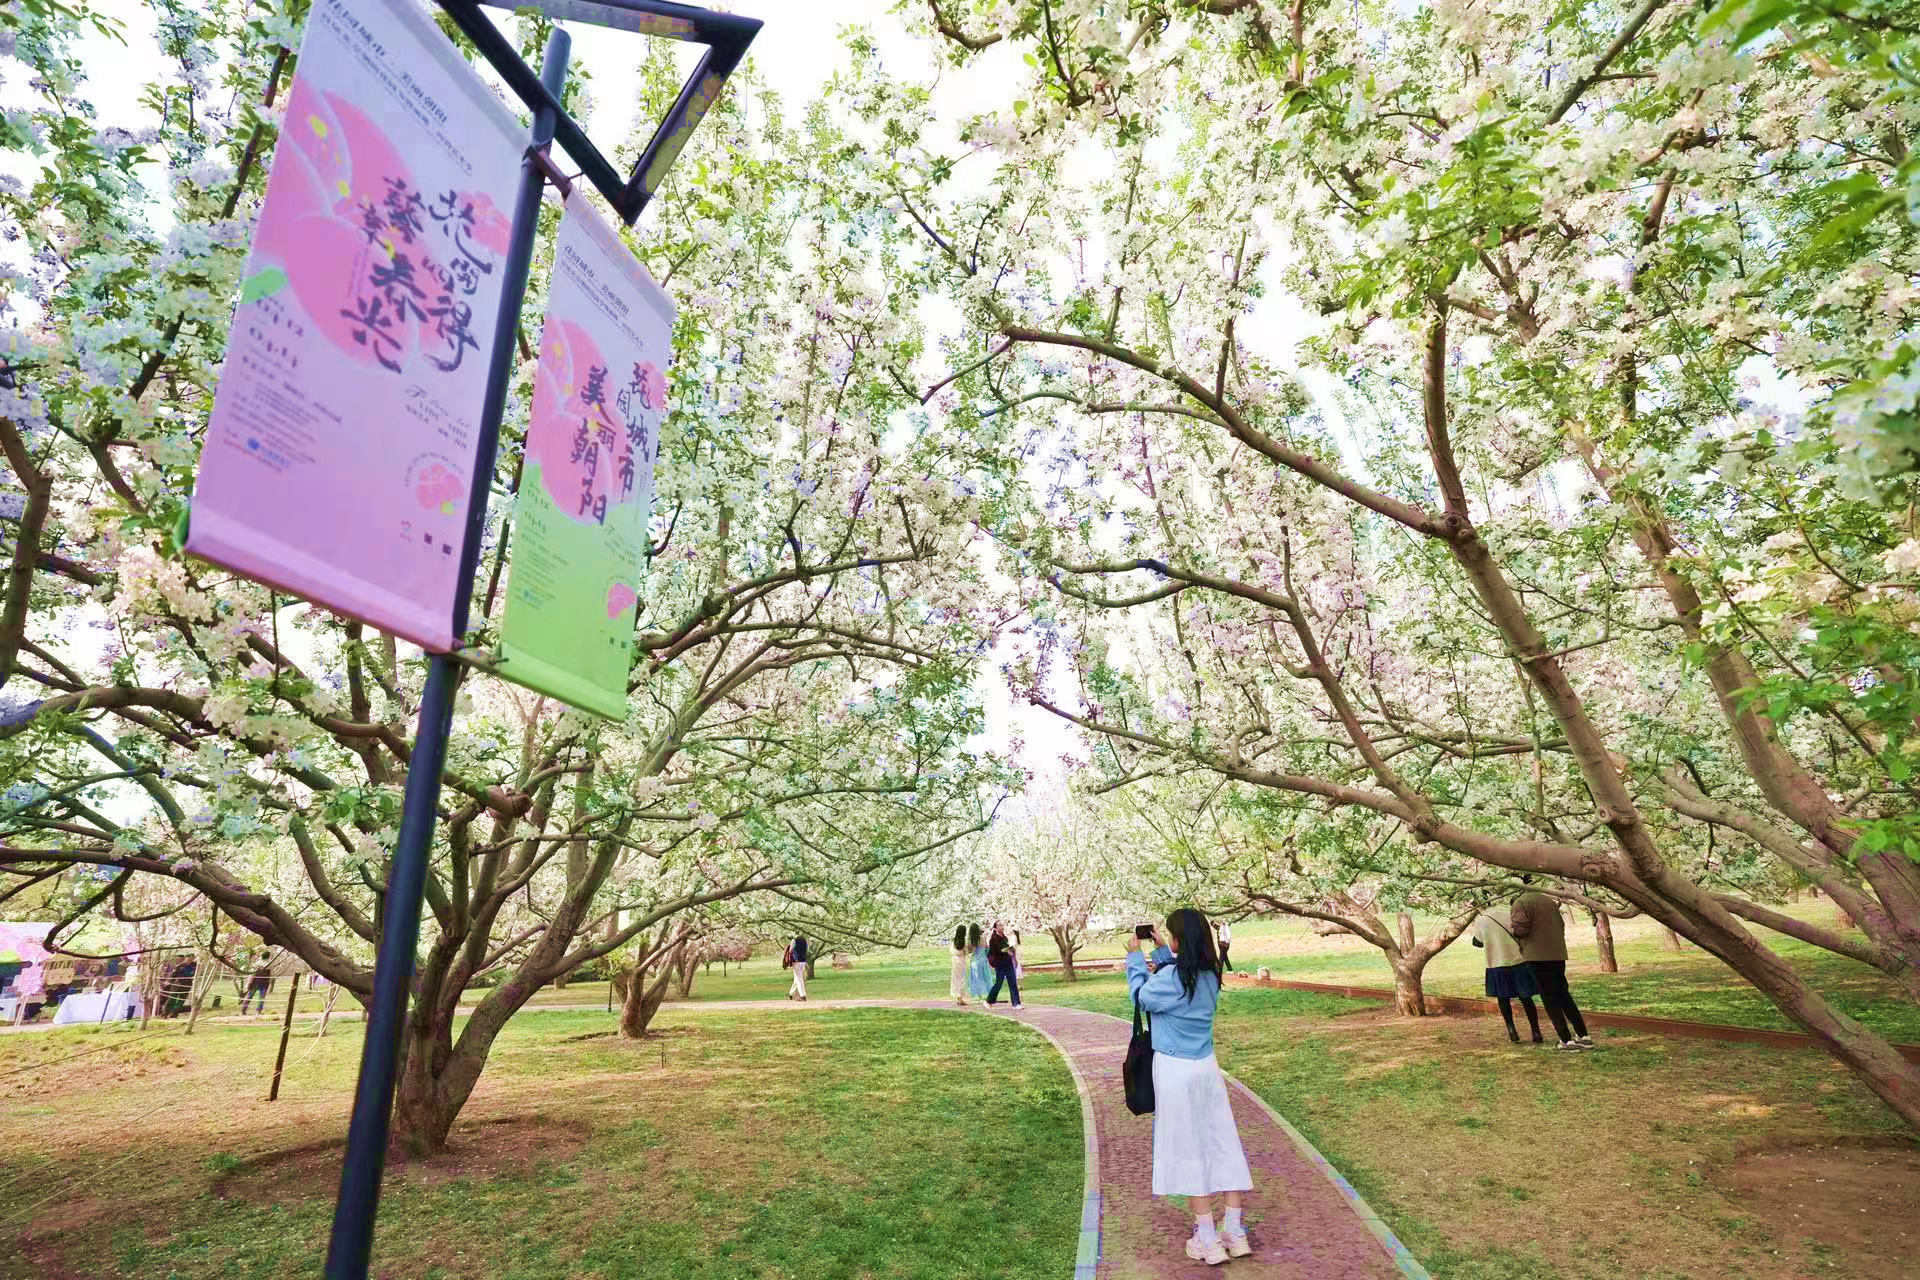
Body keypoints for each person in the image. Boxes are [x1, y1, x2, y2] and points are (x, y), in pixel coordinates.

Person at [1127, 908, 1253, 1266]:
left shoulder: (1172, 980)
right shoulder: (1211, 975)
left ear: (1180, 939)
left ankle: (1208, 1239)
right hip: (1206, 1068)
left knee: (1188, 1149)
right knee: (1222, 1142)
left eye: (1171, 935)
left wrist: (1135, 959)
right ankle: (1234, 1231)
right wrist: (1163, 950)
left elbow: (1142, 996)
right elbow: (1178, 972)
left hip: (1175, 1070)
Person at [1510, 882, 1592, 1051]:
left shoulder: (1521, 903)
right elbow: (1561, 926)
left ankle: (1566, 1040)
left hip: (1536, 956)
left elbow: (1521, 930)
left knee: (1549, 997)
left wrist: (1514, 932)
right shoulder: (1550, 902)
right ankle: (1583, 1036)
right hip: (1557, 953)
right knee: (1563, 994)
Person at [1470, 908, 1542, 1044]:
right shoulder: (1509, 914)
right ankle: (1536, 1030)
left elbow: (1478, 942)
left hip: (1497, 963)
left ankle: (1511, 1029)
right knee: (1526, 998)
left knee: (1503, 998)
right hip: (1518, 960)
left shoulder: (1481, 920)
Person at [986, 922, 1022, 1008]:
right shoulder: (993, 939)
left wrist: (1012, 954)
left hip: (1008, 962)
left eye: (1002, 925)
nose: (1002, 927)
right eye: (999, 925)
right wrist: (1002, 951)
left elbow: (1010, 950)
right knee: (999, 983)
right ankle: (989, 1000)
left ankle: (1016, 1003)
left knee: (1013, 982)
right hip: (1000, 964)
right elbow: (992, 952)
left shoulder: (1005, 938)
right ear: (995, 928)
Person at [967, 924, 991, 1000]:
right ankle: (988, 994)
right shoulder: (983, 937)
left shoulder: (971, 940)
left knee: (977, 979)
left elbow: (969, 951)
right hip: (983, 960)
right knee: (986, 978)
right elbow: (987, 947)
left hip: (975, 961)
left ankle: (979, 996)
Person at [948, 925, 971, 1006]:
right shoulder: (964, 942)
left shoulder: (954, 941)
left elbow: (951, 951)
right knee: (962, 979)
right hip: (961, 960)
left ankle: (958, 998)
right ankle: (960, 998)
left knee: (955, 979)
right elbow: (967, 952)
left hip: (954, 960)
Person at [787, 935, 809, 1002]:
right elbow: (807, 950)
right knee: (797, 978)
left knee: (799, 979)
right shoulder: (805, 941)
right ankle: (791, 994)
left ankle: (803, 995)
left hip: (796, 962)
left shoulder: (794, 941)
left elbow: (791, 950)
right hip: (803, 961)